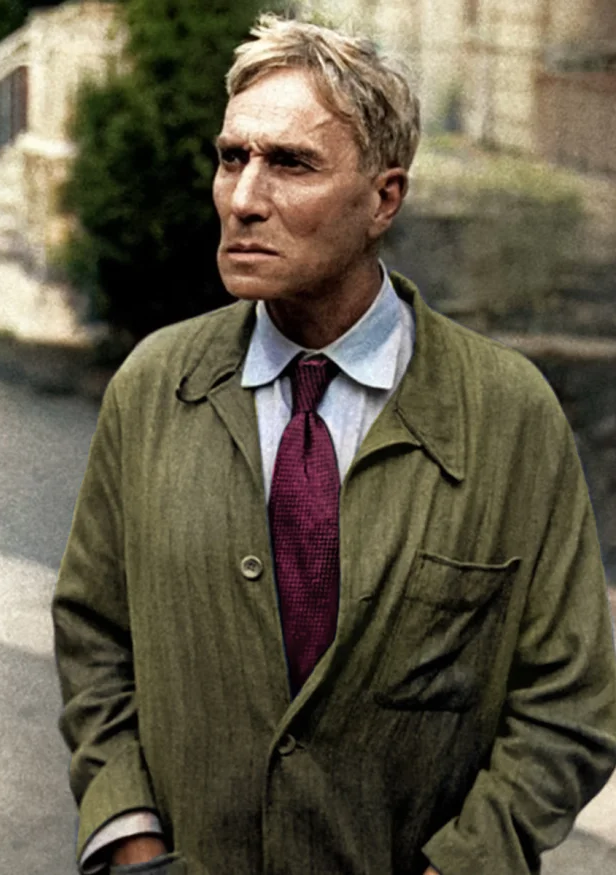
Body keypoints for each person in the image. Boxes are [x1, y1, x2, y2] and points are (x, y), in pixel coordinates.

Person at [52, 14, 616, 875]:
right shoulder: (154, 388)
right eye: (232, 157)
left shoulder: (508, 415)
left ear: (383, 199)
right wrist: (133, 841)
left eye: (290, 163)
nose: (244, 198)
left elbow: (568, 702)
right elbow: (96, 636)